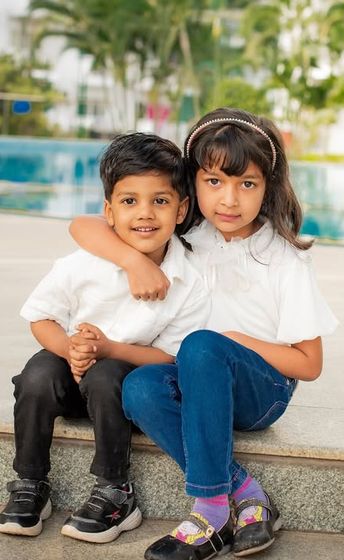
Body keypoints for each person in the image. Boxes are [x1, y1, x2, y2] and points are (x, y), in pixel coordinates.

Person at [68, 107, 339, 558]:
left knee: (200, 344)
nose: (229, 200)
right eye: (214, 182)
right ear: (191, 187)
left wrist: (235, 341)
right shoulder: (185, 234)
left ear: (268, 187)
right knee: (138, 388)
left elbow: (309, 365)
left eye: (246, 184)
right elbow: (83, 226)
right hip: (196, 385)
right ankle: (246, 492)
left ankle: (210, 511)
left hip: (259, 393)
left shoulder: (284, 260)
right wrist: (133, 261)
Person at [0, 132, 209, 544]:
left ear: (182, 209)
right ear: (109, 212)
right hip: (72, 370)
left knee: (106, 373)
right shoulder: (84, 263)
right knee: (38, 373)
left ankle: (115, 490)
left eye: (160, 201)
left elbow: (171, 359)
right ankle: (29, 484)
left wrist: (106, 349)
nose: (145, 214)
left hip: (118, 389)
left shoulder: (189, 279)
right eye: (130, 201)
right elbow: (40, 318)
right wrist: (71, 349)